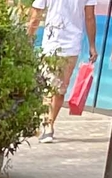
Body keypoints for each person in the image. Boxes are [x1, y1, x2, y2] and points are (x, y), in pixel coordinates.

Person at [39, 0, 92, 140]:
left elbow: (36, 10)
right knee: (61, 88)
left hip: (51, 43)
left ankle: (47, 125)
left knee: (48, 87)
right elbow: (89, 17)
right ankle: (49, 124)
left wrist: (29, 36)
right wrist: (92, 46)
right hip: (72, 45)